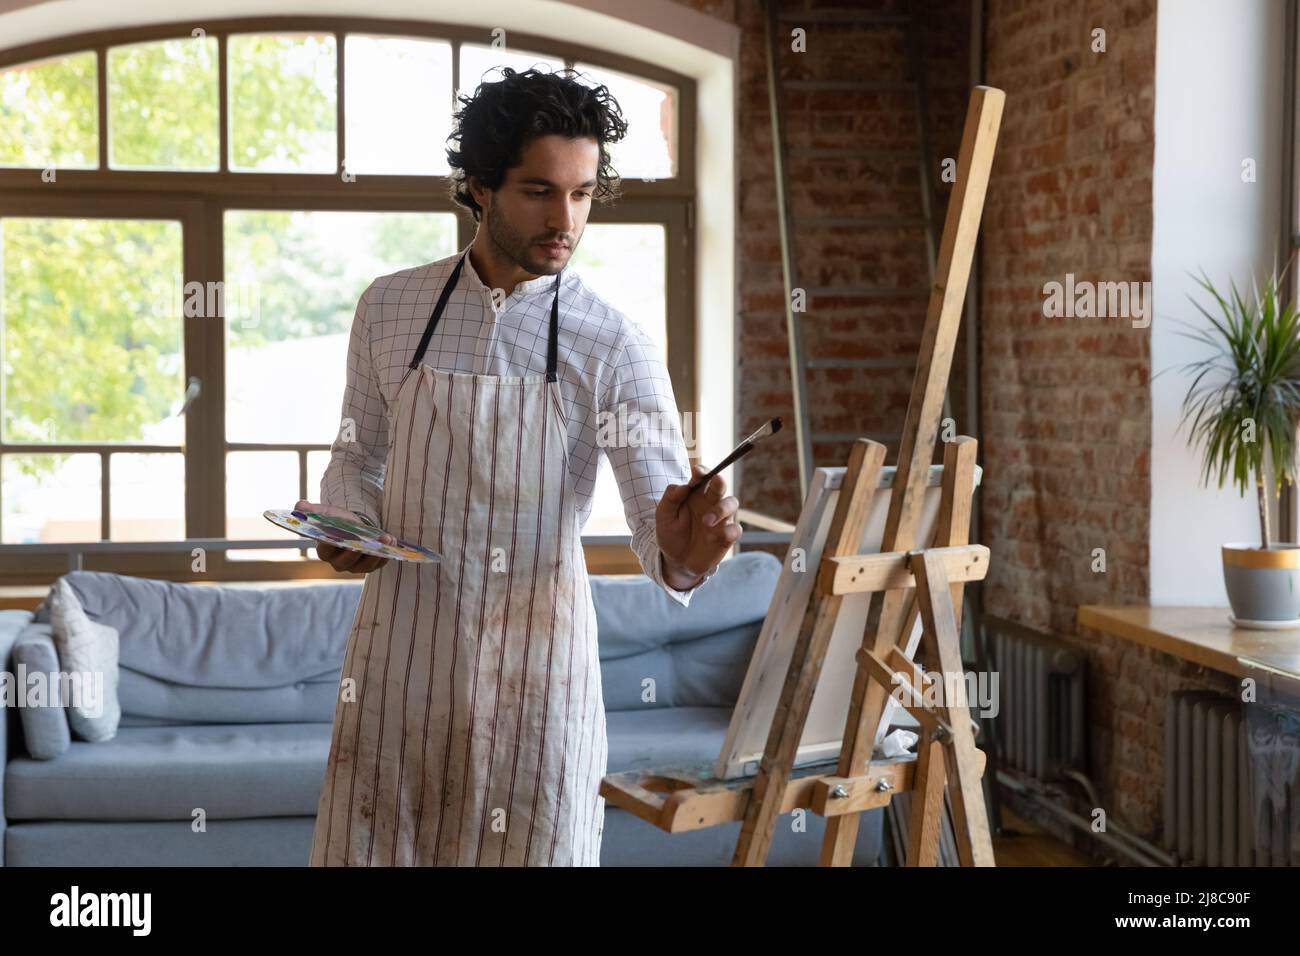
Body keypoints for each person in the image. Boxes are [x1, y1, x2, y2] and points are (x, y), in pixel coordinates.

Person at [301, 66, 740, 867]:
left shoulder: (614, 343)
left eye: (581, 194)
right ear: (477, 187)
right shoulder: (389, 308)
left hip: (539, 685)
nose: (564, 219)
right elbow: (357, 454)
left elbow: (662, 531)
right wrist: (347, 524)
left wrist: (692, 547)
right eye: (540, 191)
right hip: (399, 671)